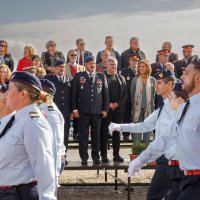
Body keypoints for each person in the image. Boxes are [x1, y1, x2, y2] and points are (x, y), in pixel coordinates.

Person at [109, 69, 176, 200]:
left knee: (155, 196)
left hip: (173, 161)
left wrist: (141, 159)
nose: (155, 85)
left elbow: (165, 140)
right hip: (165, 160)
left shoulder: (176, 107)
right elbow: (144, 126)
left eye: (160, 82)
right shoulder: (163, 108)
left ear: (170, 84)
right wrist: (120, 126)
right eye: (156, 82)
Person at [0, 72, 56, 200]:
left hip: (19, 194)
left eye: (10, 89)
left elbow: (44, 165)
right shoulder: (16, 119)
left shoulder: (34, 123)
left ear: (23, 93)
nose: (6, 94)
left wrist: (47, 197)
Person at [128, 87, 188, 200]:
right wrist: (141, 160)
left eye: (171, 97)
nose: (168, 100)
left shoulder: (190, 117)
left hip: (184, 169)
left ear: (179, 100)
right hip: (172, 167)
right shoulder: (175, 119)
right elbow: (162, 141)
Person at [71, 56, 109, 165]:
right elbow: (74, 94)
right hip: (83, 111)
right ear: (85, 65)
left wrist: (105, 109)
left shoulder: (101, 76)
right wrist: (74, 109)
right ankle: (84, 157)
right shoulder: (79, 76)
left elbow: (105, 94)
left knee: (96, 135)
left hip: (97, 112)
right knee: (83, 136)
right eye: (90, 63)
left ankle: (96, 157)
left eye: (93, 63)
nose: (92, 65)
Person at [39, 79, 66, 186]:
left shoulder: (50, 111)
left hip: (52, 160)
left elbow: (56, 140)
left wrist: (53, 171)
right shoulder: (42, 107)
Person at [100, 57, 127, 163]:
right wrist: (108, 105)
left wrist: (117, 104)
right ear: (106, 65)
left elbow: (125, 95)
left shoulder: (121, 78)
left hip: (118, 110)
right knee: (104, 133)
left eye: (115, 64)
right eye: (111, 64)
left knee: (117, 133)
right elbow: (99, 94)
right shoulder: (102, 77)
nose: (114, 66)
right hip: (106, 110)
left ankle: (116, 155)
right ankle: (104, 155)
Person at [45, 60, 72, 164]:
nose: (62, 68)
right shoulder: (48, 79)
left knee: (64, 135)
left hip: (65, 112)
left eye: (63, 67)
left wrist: (72, 110)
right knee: (51, 135)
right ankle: (51, 156)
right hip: (52, 112)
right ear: (55, 68)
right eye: (60, 66)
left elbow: (72, 96)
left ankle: (63, 157)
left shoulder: (69, 79)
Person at [131, 59, 155, 145]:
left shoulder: (152, 80)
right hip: (137, 110)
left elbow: (154, 96)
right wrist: (134, 108)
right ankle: (137, 151)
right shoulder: (135, 79)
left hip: (149, 110)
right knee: (137, 131)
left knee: (147, 131)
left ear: (147, 68)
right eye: (139, 67)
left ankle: (146, 152)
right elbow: (132, 95)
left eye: (143, 66)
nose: (141, 68)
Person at [65, 49, 85, 141]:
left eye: (75, 55)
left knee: (78, 112)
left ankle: (76, 133)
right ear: (68, 56)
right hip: (68, 93)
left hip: (79, 94)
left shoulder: (82, 68)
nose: (74, 57)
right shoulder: (64, 67)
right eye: (72, 55)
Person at [120, 54, 139, 140]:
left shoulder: (140, 71)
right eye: (133, 60)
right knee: (126, 116)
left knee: (136, 116)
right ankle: (126, 134)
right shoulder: (124, 71)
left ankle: (135, 134)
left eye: (136, 61)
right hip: (127, 98)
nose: (134, 62)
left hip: (137, 98)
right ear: (129, 61)